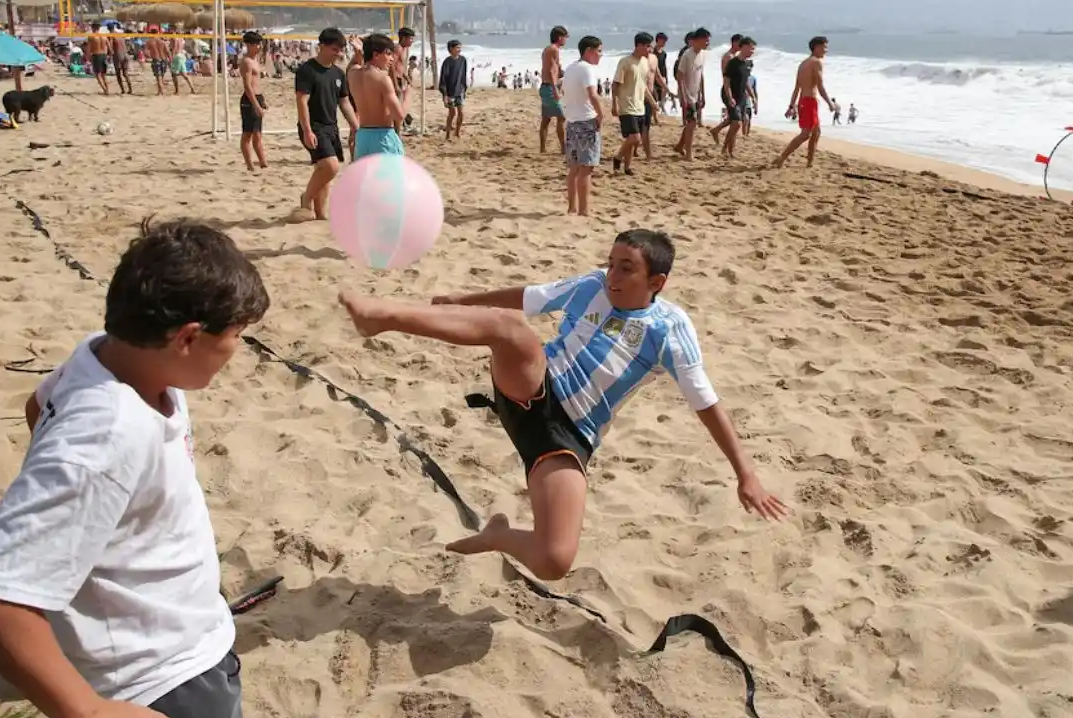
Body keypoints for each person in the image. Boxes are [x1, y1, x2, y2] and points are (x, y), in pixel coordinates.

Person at [0, 219, 269, 718]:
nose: (237, 350)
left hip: (173, 629)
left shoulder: (107, 353)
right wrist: (88, 711)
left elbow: (39, 407)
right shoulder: (106, 437)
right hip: (159, 677)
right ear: (187, 338)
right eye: (237, 336)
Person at [337, 230, 788, 582]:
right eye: (611, 263)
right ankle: (381, 317)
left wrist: (745, 474)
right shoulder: (590, 286)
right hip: (536, 388)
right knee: (513, 331)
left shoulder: (669, 328)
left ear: (657, 281)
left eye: (626, 269)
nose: (611, 275)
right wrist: (463, 300)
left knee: (555, 559)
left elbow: (706, 402)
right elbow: (528, 297)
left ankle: (498, 536)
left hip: (569, 438)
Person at [296, 27, 357, 220]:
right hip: (313, 126)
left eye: (340, 50)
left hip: (331, 126)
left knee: (323, 172)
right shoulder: (307, 70)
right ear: (321, 46)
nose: (338, 54)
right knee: (330, 167)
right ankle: (306, 198)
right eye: (334, 49)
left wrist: (356, 126)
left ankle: (320, 214)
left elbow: (344, 102)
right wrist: (307, 130)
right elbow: (301, 101)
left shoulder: (338, 74)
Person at [775, 36, 836, 168]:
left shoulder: (803, 63)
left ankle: (810, 162)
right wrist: (830, 103)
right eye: (824, 47)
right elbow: (820, 86)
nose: (826, 50)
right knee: (805, 134)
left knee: (816, 132)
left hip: (803, 101)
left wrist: (792, 106)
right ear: (817, 47)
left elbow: (797, 87)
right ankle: (782, 157)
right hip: (809, 102)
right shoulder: (816, 63)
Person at [562, 36, 604, 216]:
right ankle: (584, 210)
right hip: (586, 121)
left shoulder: (571, 68)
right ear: (588, 50)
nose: (601, 55)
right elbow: (592, 94)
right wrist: (601, 114)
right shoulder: (587, 69)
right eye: (599, 51)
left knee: (574, 168)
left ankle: (572, 207)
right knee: (586, 168)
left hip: (572, 121)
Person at [347, 33, 407, 159]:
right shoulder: (382, 79)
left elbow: (354, 62)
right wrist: (407, 96)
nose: (392, 59)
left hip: (363, 136)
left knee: (366, 178)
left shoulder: (352, 74)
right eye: (388, 54)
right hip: (383, 136)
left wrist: (358, 49)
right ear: (375, 55)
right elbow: (399, 115)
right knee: (390, 178)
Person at [610, 32, 657, 175]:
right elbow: (615, 85)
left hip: (640, 106)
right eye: (648, 46)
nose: (650, 50)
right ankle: (618, 157)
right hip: (626, 105)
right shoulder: (625, 61)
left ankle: (627, 167)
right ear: (640, 45)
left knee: (633, 140)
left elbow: (643, 86)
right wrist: (614, 104)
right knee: (634, 137)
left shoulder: (644, 63)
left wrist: (653, 102)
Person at [673, 28, 710, 161]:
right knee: (692, 123)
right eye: (705, 40)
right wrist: (683, 97)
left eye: (708, 40)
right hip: (687, 95)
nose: (708, 42)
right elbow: (680, 77)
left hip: (696, 94)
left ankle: (679, 146)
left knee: (691, 123)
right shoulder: (687, 55)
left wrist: (702, 95)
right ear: (696, 40)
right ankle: (688, 154)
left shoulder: (703, 54)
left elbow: (701, 76)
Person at [720, 37, 756, 159]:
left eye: (754, 49)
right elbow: (726, 82)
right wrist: (730, 97)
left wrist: (753, 97)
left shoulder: (746, 64)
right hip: (729, 94)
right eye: (751, 48)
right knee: (736, 123)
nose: (752, 51)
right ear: (743, 47)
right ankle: (724, 149)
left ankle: (730, 151)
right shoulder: (733, 63)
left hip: (740, 97)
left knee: (735, 124)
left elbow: (746, 83)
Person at [238, 31, 267, 172]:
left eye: (260, 44)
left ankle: (263, 162)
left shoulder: (255, 60)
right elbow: (247, 86)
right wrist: (256, 105)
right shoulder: (246, 62)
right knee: (248, 134)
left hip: (257, 96)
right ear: (249, 45)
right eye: (256, 44)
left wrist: (262, 101)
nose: (259, 47)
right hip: (249, 99)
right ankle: (250, 164)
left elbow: (257, 83)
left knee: (258, 134)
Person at [708, 33, 743, 144]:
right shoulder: (728, 56)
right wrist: (729, 94)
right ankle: (726, 145)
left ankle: (716, 130)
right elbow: (726, 76)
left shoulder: (737, 57)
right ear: (734, 43)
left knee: (733, 118)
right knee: (735, 120)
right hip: (728, 90)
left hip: (736, 91)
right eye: (740, 43)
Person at [539, 26, 568, 154]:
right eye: (565, 37)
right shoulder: (554, 49)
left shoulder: (548, 49)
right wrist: (555, 89)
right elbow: (551, 70)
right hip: (550, 87)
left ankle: (542, 149)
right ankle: (563, 148)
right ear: (559, 37)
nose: (566, 40)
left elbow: (553, 69)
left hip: (545, 86)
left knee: (546, 119)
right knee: (561, 117)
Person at [439, 39, 469, 141]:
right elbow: (443, 78)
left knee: (461, 113)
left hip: (459, 90)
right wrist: (444, 94)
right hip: (450, 92)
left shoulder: (463, 60)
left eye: (460, 48)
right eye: (457, 48)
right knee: (452, 113)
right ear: (451, 49)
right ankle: (447, 134)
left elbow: (464, 74)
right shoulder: (447, 62)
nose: (459, 50)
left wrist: (464, 88)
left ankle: (457, 132)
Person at [85, 23, 110, 95]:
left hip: (96, 55)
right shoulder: (104, 36)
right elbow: (109, 47)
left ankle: (105, 90)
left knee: (97, 74)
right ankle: (107, 89)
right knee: (103, 74)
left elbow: (88, 48)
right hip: (104, 55)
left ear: (93, 28)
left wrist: (87, 57)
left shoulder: (91, 36)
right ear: (99, 28)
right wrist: (109, 55)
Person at [147, 29, 170, 96]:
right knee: (161, 76)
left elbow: (146, 52)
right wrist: (170, 60)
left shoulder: (149, 42)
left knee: (158, 77)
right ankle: (159, 91)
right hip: (164, 60)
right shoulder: (162, 41)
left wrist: (151, 55)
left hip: (156, 60)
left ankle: (162, 92)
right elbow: (167, 51)